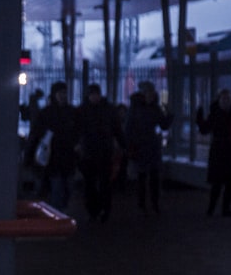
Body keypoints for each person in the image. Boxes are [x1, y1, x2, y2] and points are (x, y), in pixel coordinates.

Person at [25, 81, 78, 210]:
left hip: (60, 156)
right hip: (57, 157)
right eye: (60, 93)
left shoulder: (48, 113)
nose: (62, 96)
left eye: (64, 93)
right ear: (54, 95)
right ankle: (58, 214)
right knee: (60, 189)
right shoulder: (69, 112)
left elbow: (35, 135)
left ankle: (57, 214)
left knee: (63, 189)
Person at [75, 83, 125, 222]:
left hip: (93, 151)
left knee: (95, 184)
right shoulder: (108, 110)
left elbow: (116, 130)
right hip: (99, 151)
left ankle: (95, 211)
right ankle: (102, 210)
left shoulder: (82, 110)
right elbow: (117, 129)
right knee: (99, 183)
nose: (94, 97)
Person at [125, 81, 173, 215]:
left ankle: (152, 204)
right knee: (143, 177)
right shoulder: (143, 108)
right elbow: (128, 128)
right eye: (148, 92)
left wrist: (168, 115)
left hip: (149, 145)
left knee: (152, 177)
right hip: (143, 145)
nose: (150, 95)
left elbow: (163, 124)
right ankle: (145, 204)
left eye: (151, 92)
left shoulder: (144, 108)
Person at [196, 88, 231, 217]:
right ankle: (221, 208)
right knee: (222, 183)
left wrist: (199, 120)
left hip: (222, 151)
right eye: (224, 98)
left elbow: (205, 129)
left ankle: (216, 208)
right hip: (227, 151)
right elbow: (205, 129)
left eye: (227, 98)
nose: (226, 100)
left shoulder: (216, 113)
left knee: (225, 183)